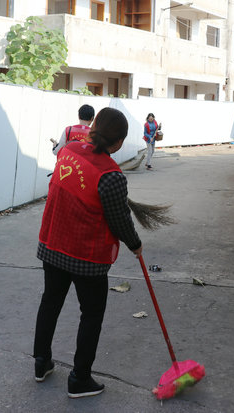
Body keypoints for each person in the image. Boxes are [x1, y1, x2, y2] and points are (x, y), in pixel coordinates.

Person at [34, 107, 143, 398]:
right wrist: (135, 244)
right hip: (86, 255)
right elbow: (120, 220)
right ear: (118, 143)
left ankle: (41, 362)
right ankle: (79, 378)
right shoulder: (112, 176)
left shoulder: (68, 151)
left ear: (93, 127)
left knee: (51, 302)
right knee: (91, 314)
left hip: (52, 244)